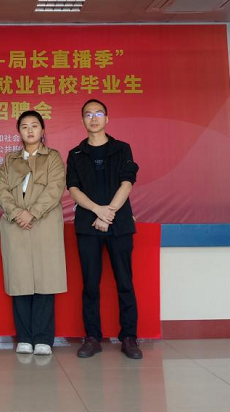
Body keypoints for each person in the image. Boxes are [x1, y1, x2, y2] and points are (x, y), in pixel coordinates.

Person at [66, 99, 142, 360]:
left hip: (119, 225)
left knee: (125, 282)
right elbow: (73, 189)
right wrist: (97, 211)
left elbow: (127, 183)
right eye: (88, 114)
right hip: (88, 226)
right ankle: (92, 337)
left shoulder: (122, 148)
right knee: (90, 284)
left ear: (107, 119)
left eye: (98, 113)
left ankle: (129, 337)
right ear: (82, 120)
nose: (94, 118)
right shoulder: (76, 154)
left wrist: (108, 214)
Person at [0, 110, 67, 356]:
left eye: (34, 125)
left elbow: (55, 188)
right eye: (24, 126)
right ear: (19, 131)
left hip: (43, 225)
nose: (29, 130)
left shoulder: (53, 157)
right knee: (20, 282)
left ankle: (44, 338)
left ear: (42, 130)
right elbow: (1, 189)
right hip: (16, 225)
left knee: (45, 282)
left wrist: (32, 213)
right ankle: (24, 337)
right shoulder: (10, 159)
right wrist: (17, 213)